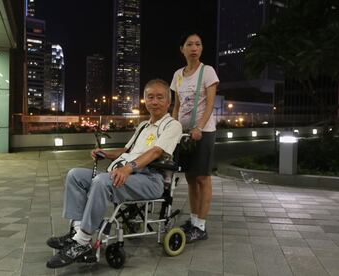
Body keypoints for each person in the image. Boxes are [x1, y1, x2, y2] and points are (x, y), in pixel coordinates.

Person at [46, 79, 182, 269]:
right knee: (75, 175)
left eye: (160, 97)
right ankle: (76, 232)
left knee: (102, 181)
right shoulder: (143, 125)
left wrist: (128, 168)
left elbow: (156, 152)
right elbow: (127, 150)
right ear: (144, 100)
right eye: (150, 97)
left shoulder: (172, 125)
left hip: (150, 179)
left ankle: (83, 242)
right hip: (127, 173)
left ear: (169, 102)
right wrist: (106, 153)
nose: (155, 101)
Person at [170, 31, 219, 243]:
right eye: (189, 44)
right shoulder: (178, 75)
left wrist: (199, 126)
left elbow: (210, 103)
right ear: (182, 49)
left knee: (202, 177)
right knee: (190, 178)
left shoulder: (207, 71)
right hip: (183, 133)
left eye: (198, 44)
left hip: (203, 131)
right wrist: (171, 128)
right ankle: (193, 219)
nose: (194, 48)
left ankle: (201, 226)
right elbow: (177, 106)